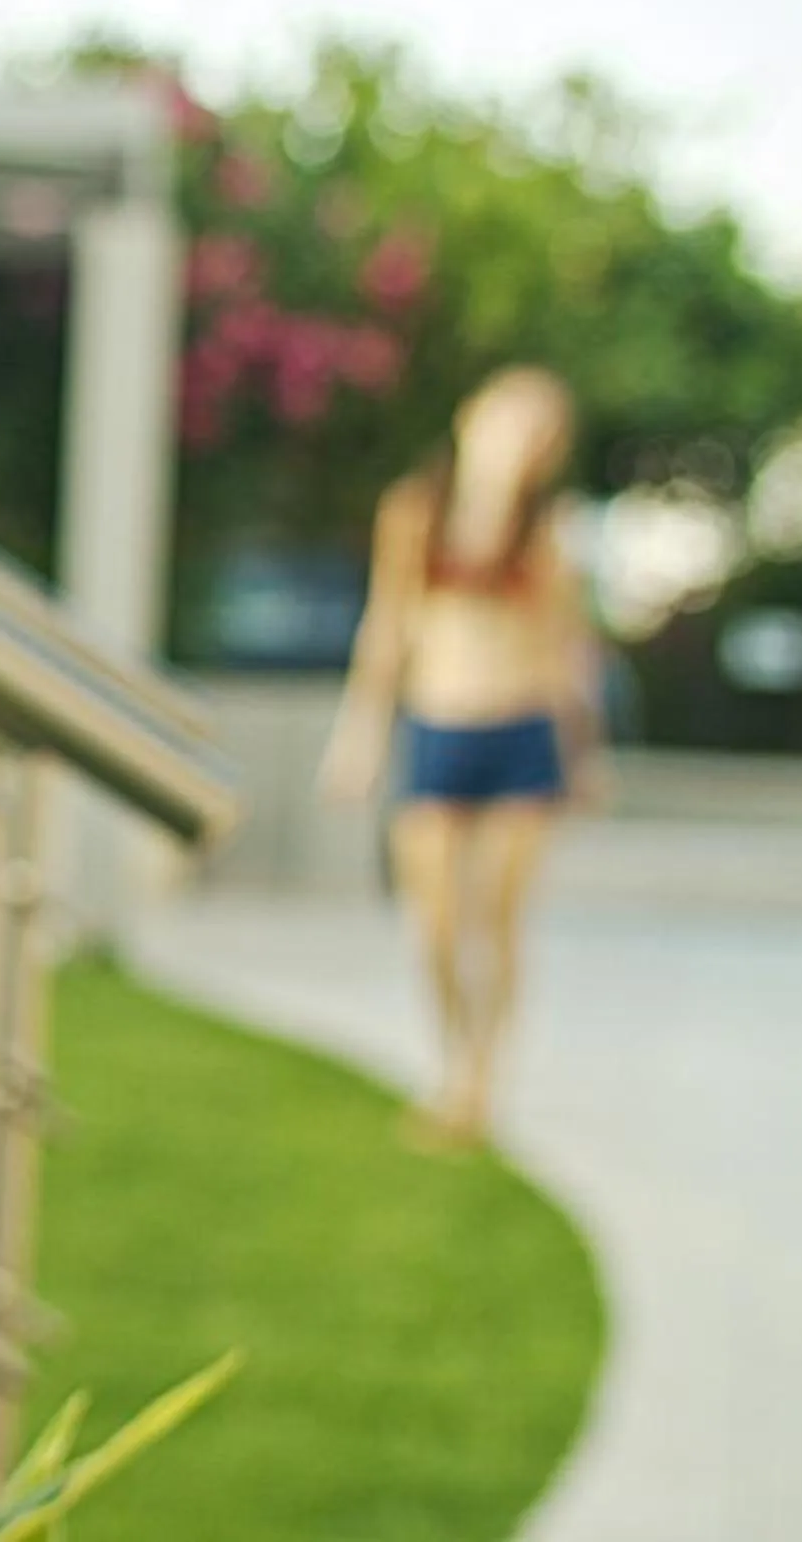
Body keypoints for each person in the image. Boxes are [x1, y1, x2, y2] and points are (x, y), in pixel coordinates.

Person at [320, 366, 609, 1147]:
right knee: (437, 924)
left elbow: (565, 648)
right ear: (472, 416)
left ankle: (482, 1080)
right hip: (439, 730)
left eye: (542, 429)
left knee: (499, 925)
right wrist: (360, 736)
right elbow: (388, 629)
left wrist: (585, 754)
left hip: (521, 735)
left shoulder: (547, 529)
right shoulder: (415, 512)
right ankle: (452, 1061)